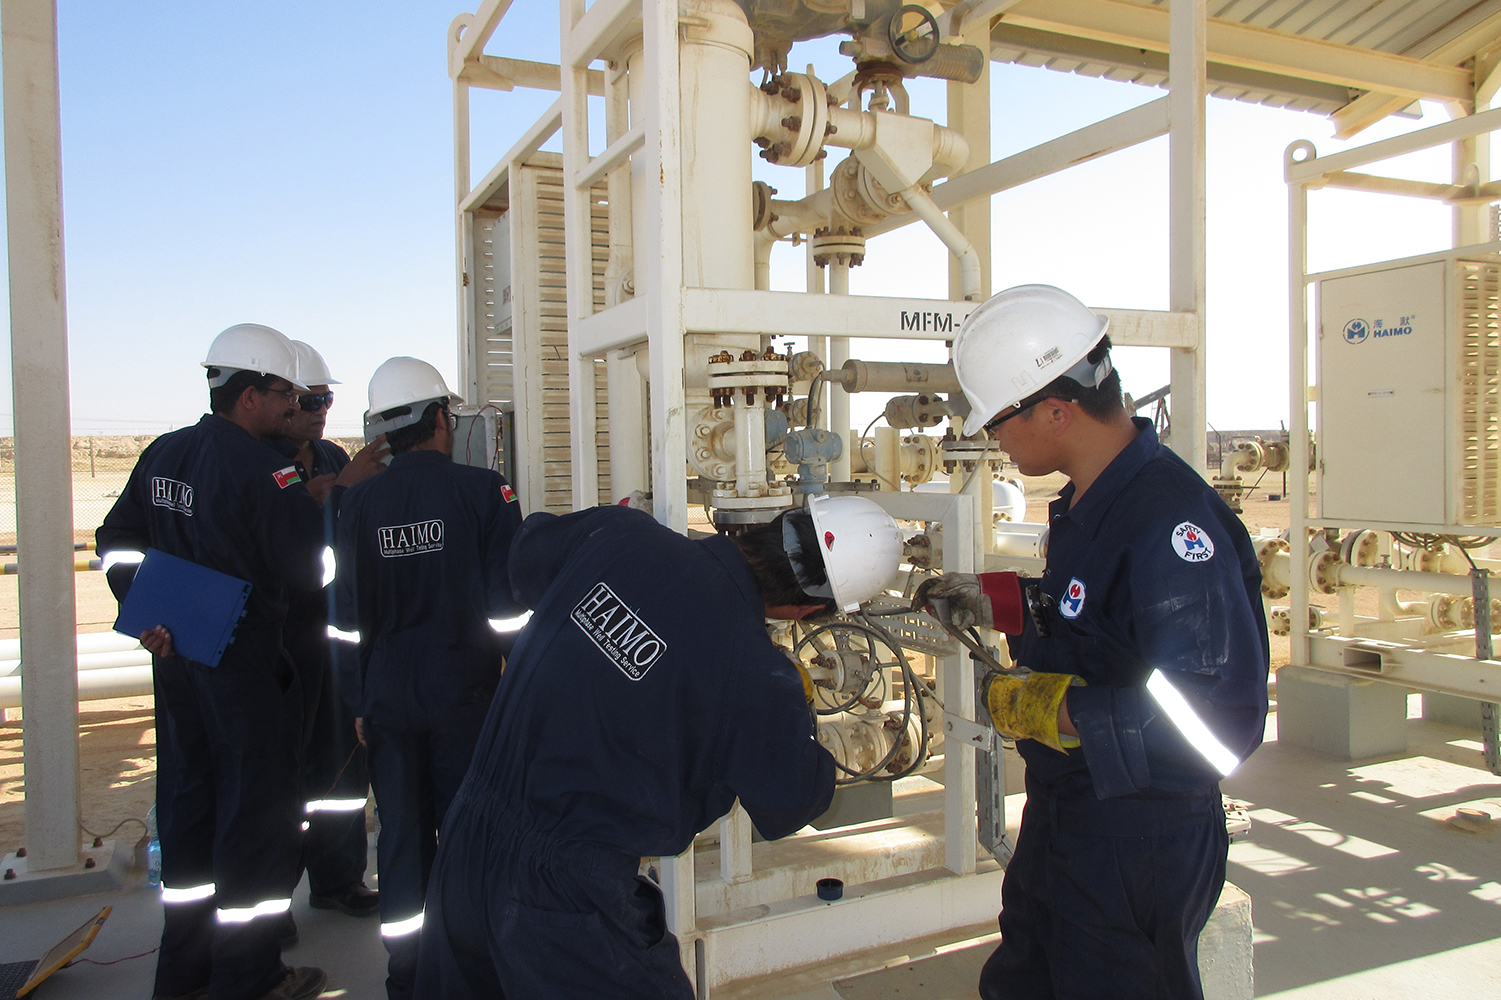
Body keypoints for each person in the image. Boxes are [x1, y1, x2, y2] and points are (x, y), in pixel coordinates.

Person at [918, 284, 1269, 1000]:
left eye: (998, 420)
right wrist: (1008, 603)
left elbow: (1218, 722)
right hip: (1070, 811)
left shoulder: (1169, 523)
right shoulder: (1092, 501)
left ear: (1056, 410)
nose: (994, 438)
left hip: (1138, 835)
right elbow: (1103, 621)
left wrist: (1053, 710)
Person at [412, 494, 906, 1000]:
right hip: (565, 899)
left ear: (777, 523)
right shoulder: (758, 675)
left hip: (465, 840)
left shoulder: (619, 533)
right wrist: (798, 707)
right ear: (809, 609)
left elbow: (525, 558)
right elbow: (793, 799)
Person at [95, 324, 373, 1000]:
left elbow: (117, 540)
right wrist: (337, 501)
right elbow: (313, 570)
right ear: (249, 394)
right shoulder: (262, 471)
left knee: (190, 815)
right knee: (257, 824)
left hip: (179, 661)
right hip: (246, 670)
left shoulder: (165, 453)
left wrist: (146, 612)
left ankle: (185, 975)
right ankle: (249, 977)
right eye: (286, 395)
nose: (295, 406)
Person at [331, 357, 525, 1000]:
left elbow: (347, 618)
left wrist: (360, 699)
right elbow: (507, 611)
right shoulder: (485, 491)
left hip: (387, 698)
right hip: (465, 695)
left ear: (385, 429)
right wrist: (520, 687)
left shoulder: (357, 503)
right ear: (441, 418)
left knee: (401, 837)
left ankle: (408, 976)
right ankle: (467, 974)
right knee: (468, 833)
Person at [268, 341, 385, 925]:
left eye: (326, 401)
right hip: (277, 646)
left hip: (332, 639)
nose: (318, 412)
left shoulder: (334, 456)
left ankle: (338, 879)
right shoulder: (253, 465)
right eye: (308, 401)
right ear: (281, 402)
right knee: (278, 779)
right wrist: (333, 498)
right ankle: (269, 907)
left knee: (339, 769)